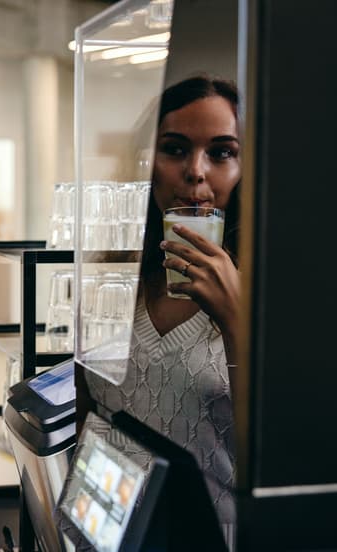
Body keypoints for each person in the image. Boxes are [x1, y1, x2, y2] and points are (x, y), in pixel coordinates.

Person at [96, 75, 241, 547]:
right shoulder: (119, 277)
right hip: (118, 531)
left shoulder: (269, 296)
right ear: (147, 163)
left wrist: (235, 318)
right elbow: (92, 415)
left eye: (221, 153)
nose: (196, 172)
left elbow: (288, 457)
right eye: (175, 149)